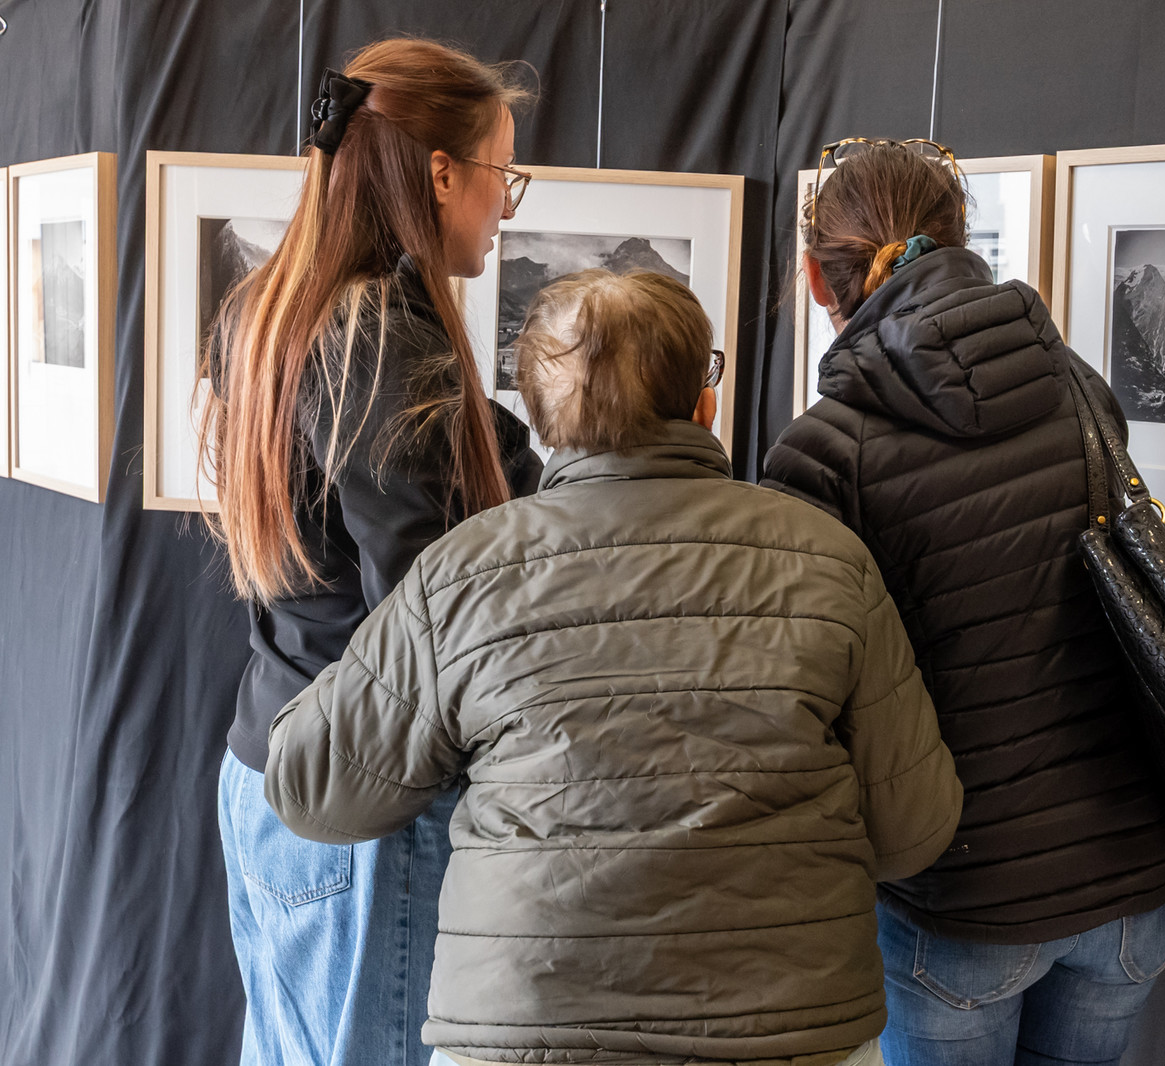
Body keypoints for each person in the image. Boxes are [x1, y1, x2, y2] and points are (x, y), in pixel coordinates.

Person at [263, 269, 966, 1066]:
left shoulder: (462, 576)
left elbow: (313, 789)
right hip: (793, 1033)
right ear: (703, 402)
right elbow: (914, 829)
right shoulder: (829, 561)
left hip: (529, 1032)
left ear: (538, 420)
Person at [763, 139, 1165, 1066]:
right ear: (961, 243)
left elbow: (804, 703)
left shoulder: (823, 450)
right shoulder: (1077, 386)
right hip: (1128, 882)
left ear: (817, 276)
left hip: (960, 900)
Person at [201, 39, 543, 1066]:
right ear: (440, 172)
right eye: (501, 174)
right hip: (360, 802)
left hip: (276, 761)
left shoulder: (274, 308)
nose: (504, 205)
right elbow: (422, 608)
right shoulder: (377, 332)